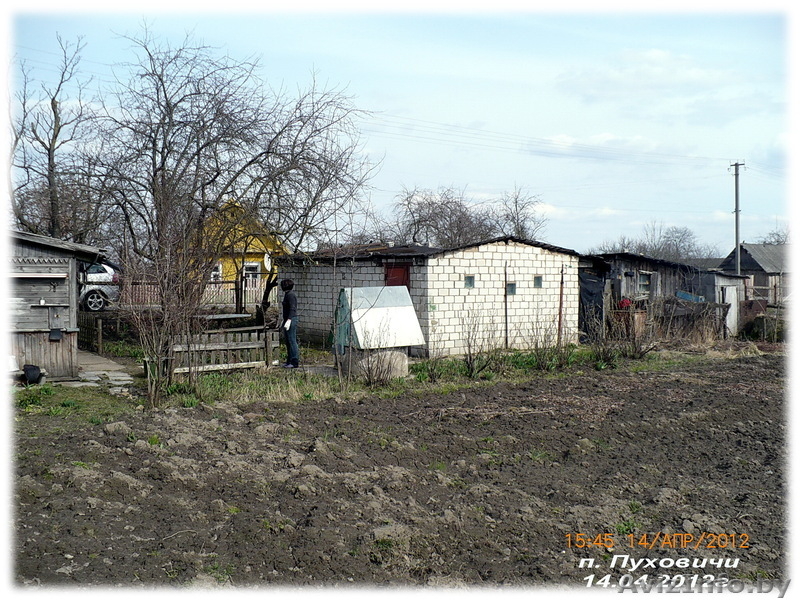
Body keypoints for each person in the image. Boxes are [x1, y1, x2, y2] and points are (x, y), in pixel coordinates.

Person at [280, 279, 300, 368]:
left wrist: (289, 320)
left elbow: (293, 309)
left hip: (291, 320)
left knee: (292, 341)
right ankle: (289, 360)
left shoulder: (291, 295)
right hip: (287, 319)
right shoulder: (287, 294)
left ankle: (294, 361)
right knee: (288, 341)